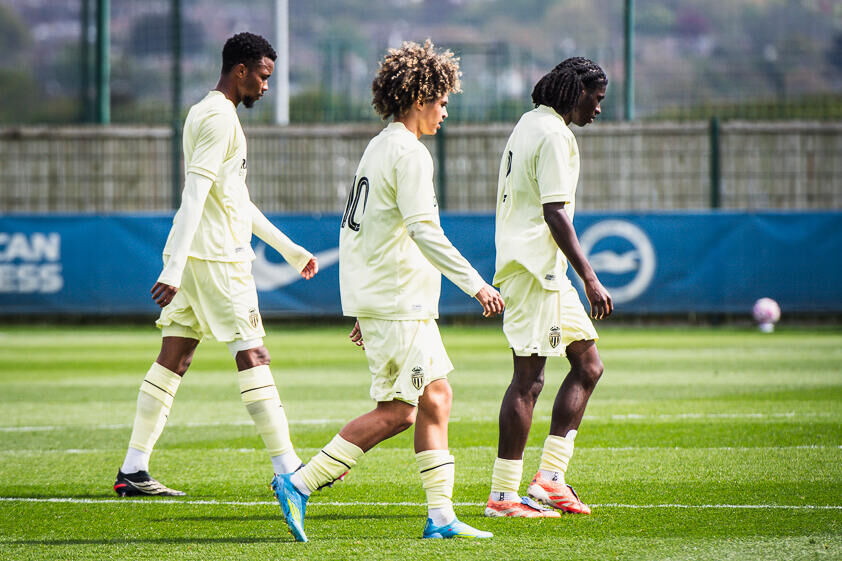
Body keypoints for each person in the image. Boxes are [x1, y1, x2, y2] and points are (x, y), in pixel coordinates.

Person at [271, 39, 505, 542]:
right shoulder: (409, 154)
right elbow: (424, 231)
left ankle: (440, 517)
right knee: (400, 412)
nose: (445, 111)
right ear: (420, 99)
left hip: (394, 302)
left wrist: (359, 304)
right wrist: (476, 285)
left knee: (436, 398)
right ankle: (300, 482)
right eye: (442, 101)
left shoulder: (380, 146)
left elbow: (355, 233)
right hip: (399, 303)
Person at [113, 32, 318, 497]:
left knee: (175, 357)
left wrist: (289, 249)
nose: (266, 86)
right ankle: (289, 467)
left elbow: (233, 199)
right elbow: (195, 194)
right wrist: (172, 269)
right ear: (240, 70)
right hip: (218, 259)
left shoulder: (205, 111)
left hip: (195, 256)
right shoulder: (220, 119)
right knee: (253, 355)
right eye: (262, 76)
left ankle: (133, 469)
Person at [484, 57, 613, 518]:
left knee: (588, 365)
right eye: (597, 98)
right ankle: (503, 496)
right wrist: (590, 277)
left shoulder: (529, 123)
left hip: (546, 271)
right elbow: (554, 211)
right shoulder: (556, 134)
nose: (598, 108)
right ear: (577, 91)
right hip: (534, 271)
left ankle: (550, 478)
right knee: (529, 380)